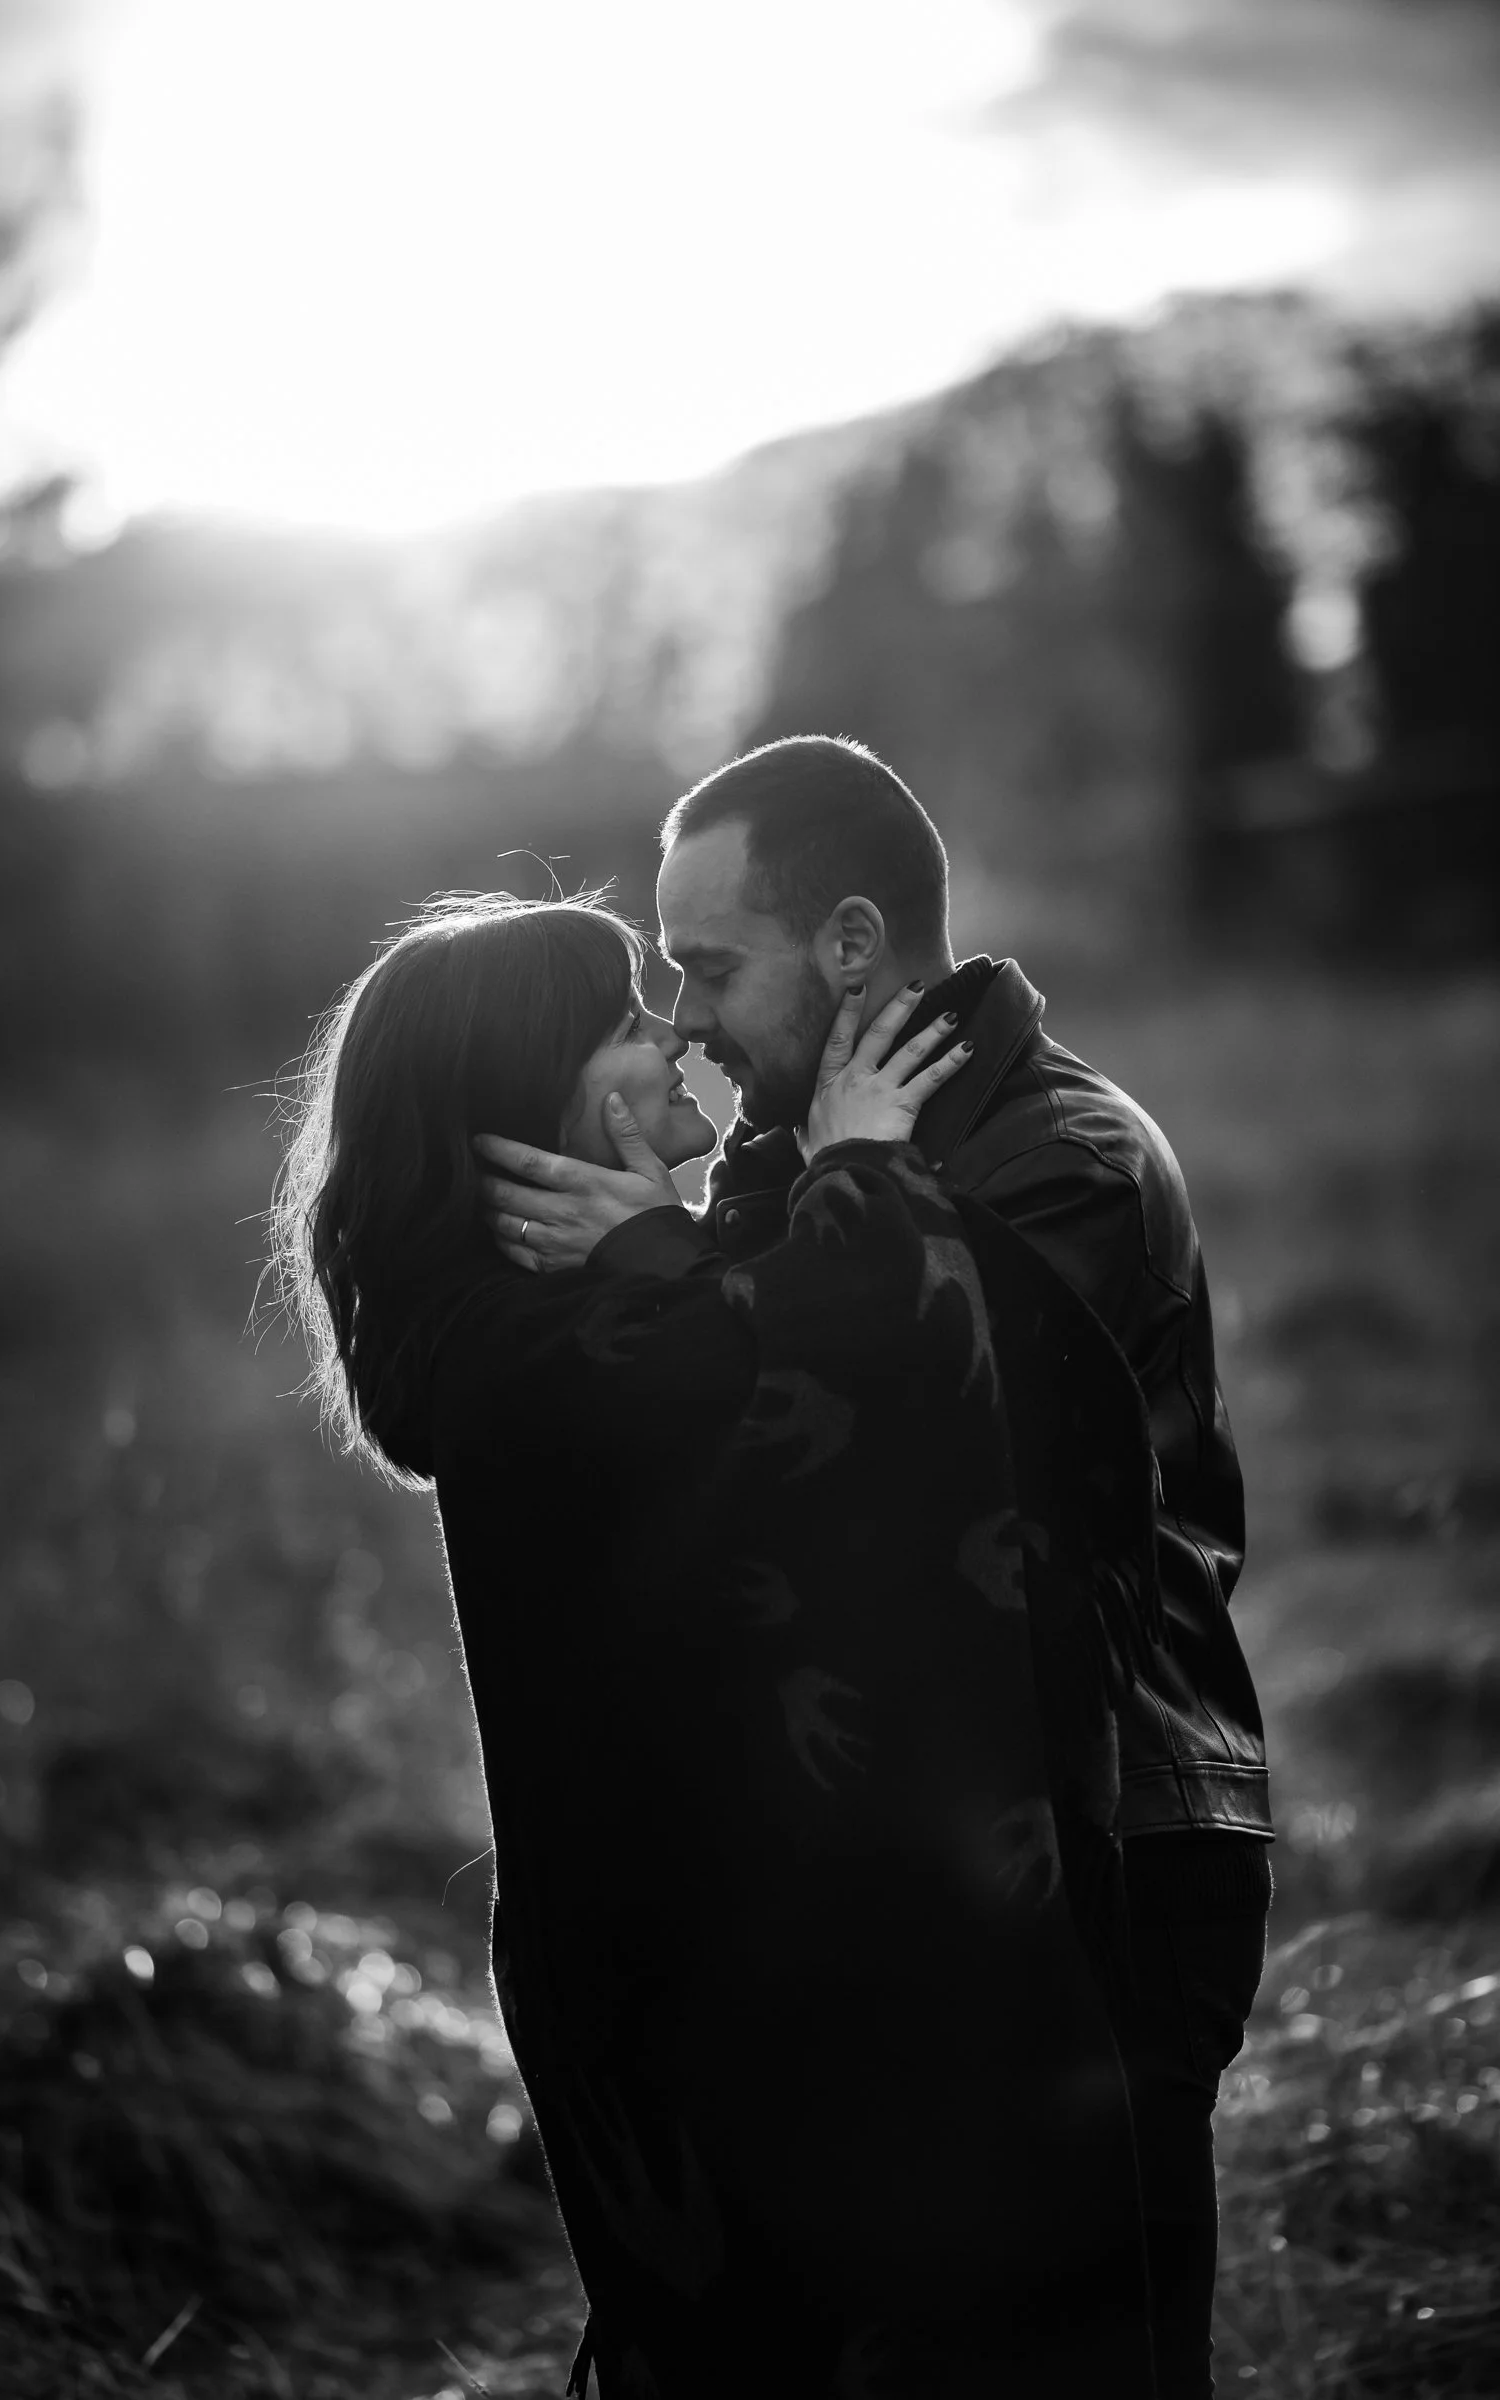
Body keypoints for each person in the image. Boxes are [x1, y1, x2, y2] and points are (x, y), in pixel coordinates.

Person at [276, 890, 1161, 2398]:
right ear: (527, 1100)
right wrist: (866, 1169)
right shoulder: (543, 1358)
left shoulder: (547, 1327)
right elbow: (856, 1390)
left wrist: (664, 1242)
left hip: (691, 1967)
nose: (676, 1032)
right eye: (627, 1020)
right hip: (710, 1990)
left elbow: (723, 1353)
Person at [476, 736, 1273, 2400]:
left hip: (1107, 1847)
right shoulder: (800, 1161)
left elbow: (900, 1458)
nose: (682, 1020)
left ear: (850, 946)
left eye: (707, 967)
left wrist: (661, 1264)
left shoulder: (1065, 1159)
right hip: (911, 1860)